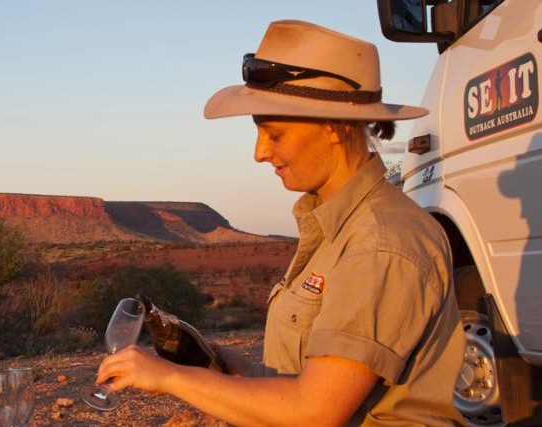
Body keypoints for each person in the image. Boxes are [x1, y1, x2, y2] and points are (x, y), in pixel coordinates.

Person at [97, 20, 466, 426]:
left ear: (333, 127)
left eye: (275, 134)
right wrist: (210, 360)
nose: (259, 152)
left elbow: (314, 410)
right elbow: (293, 384)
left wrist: (169, 377)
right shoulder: (335, 230)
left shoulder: (380, 241)